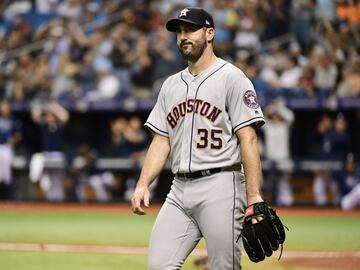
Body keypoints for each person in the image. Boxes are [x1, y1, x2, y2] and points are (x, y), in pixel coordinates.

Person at [131, 7, 266, 270]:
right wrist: (142, 184)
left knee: (223, 267)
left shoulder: (232, 78)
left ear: (210, 34)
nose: (183, 36)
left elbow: (248, 139)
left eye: (190, 29)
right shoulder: (170, 85)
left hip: (222, 186)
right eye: (179, 31)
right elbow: (161, 141)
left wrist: (254, 197)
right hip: (178, 189)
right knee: (158, 266)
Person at [0, 100, 22, 199]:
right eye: (2, 106)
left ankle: (9, 196)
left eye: (6, 106)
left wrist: (13, 141)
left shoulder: (14, 120)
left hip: (7, 147)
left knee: (7, 173)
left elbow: (18, 135)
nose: (4, 108)